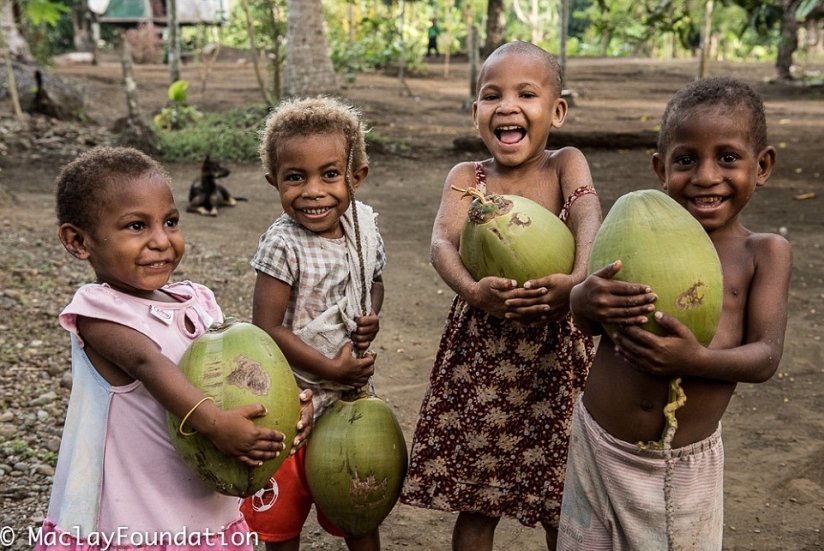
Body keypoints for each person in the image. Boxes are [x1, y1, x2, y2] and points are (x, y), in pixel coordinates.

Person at [556, 76, 792, 550]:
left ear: (762, 165)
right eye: (686, 160)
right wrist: (581, 299)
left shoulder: (763, 252)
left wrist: (694, 362)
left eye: (728, 157)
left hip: (682, 465)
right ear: (661, 168)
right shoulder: (633, 235)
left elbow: (766, 357)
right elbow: (586, 321)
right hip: (598, 444)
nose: (705, 176)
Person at [38, 146, 313, 551]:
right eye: (136, 226)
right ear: (78, 241)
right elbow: (148, 362)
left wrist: (288, 409)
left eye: (169, 222)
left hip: (202, 504)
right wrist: (217, 424)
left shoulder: (199, 303)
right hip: (134, 513)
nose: (161, 241)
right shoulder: (99, 311)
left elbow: (241, 371)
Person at [400, 41, 602, 550]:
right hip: (483, 357)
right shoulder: (469, 178)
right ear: (476, 114)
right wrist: (474, 291)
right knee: (477, 501)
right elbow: (441, 242)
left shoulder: (565, 164)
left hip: (557, 353)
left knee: (564, 498)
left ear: (556, 111)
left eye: (526, 94)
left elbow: (587, 218)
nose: (507, 106)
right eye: (492, 96)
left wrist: (576, 283)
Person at [239, 97, 387, 551]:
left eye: (329, 174)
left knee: (358, 510)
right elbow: (265, 329)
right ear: (274, 182)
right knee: (283, 522)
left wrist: (370, 317)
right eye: (295, 177)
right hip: (291, 400)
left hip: (350, 400)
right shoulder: (283, 243)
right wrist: (331, 370)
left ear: (355, 177)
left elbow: (374, 280)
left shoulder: (362, 227)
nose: (313, 191)